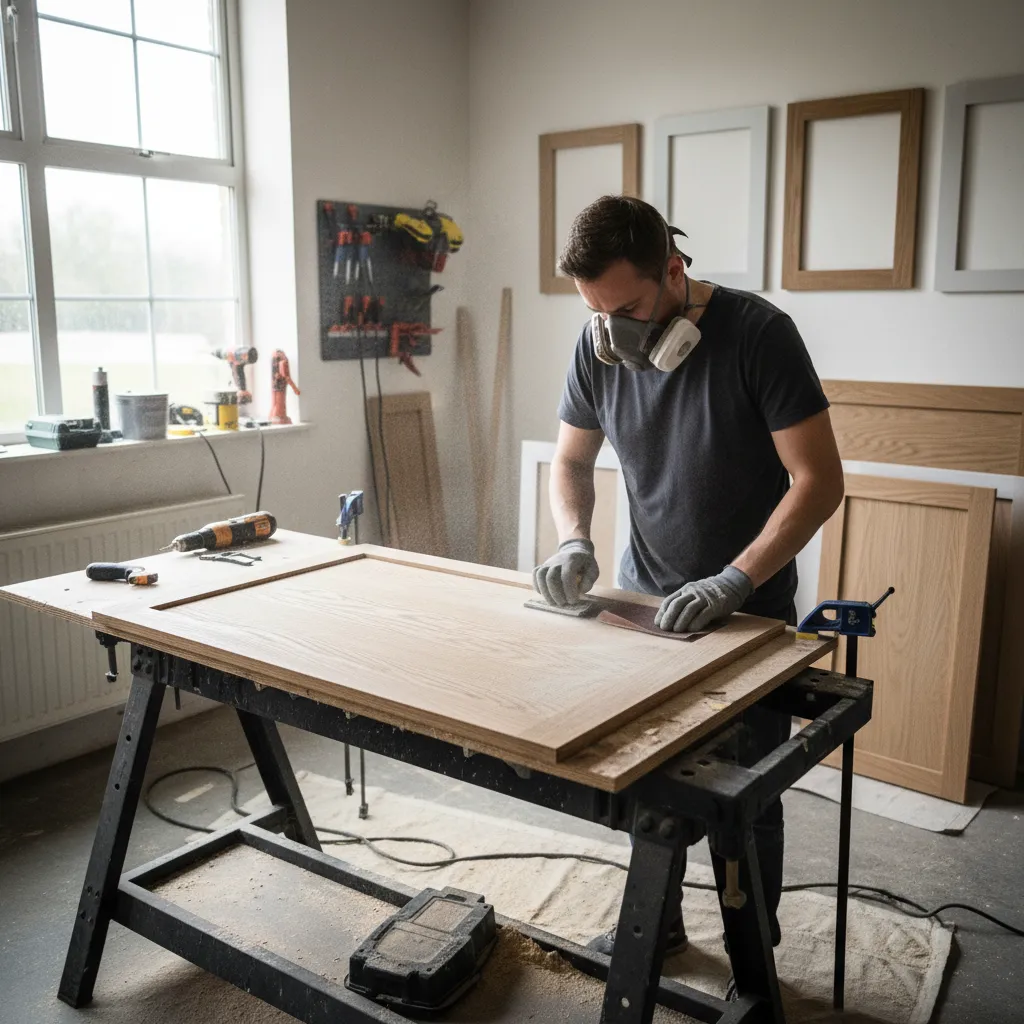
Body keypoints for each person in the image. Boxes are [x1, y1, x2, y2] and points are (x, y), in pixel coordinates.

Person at [532, 195, 844, 958]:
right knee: (650, 778)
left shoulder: (759, 335)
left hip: (749, 613)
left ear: (674, 271)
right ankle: (659, 924)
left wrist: (735, 580)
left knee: (747, 798)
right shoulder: (597, 346)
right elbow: (571, 460)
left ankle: (751, 954)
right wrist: (573, 539)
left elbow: (819, 481)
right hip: (645, 602)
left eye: (628, 310)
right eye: (598, 314)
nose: (615, 333)